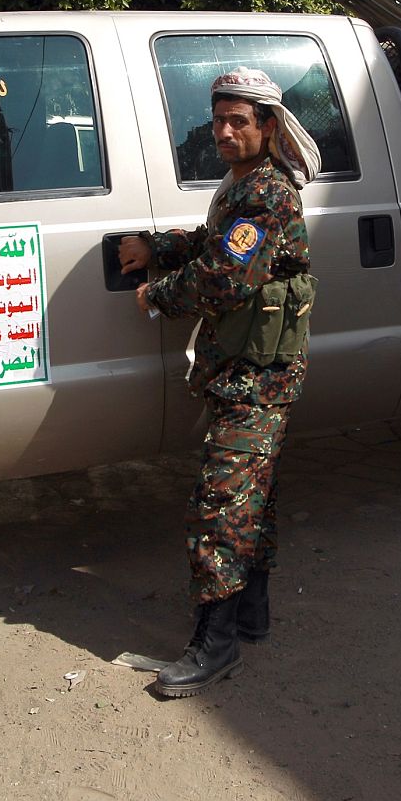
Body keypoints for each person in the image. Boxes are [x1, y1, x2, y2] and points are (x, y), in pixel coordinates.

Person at [117, 66, 319, 698]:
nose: (226, 131)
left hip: (256, 377)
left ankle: (216, 646)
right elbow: (217, 244)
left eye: (240, 121)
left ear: (266, 124)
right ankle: (251, 616)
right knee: (251, 495)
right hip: (244, 370)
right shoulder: (244, 185)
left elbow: (224, 279)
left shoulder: (266, 193)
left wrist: (156, 294)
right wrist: (158, 245)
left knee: (222, 504)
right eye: (219, 120)